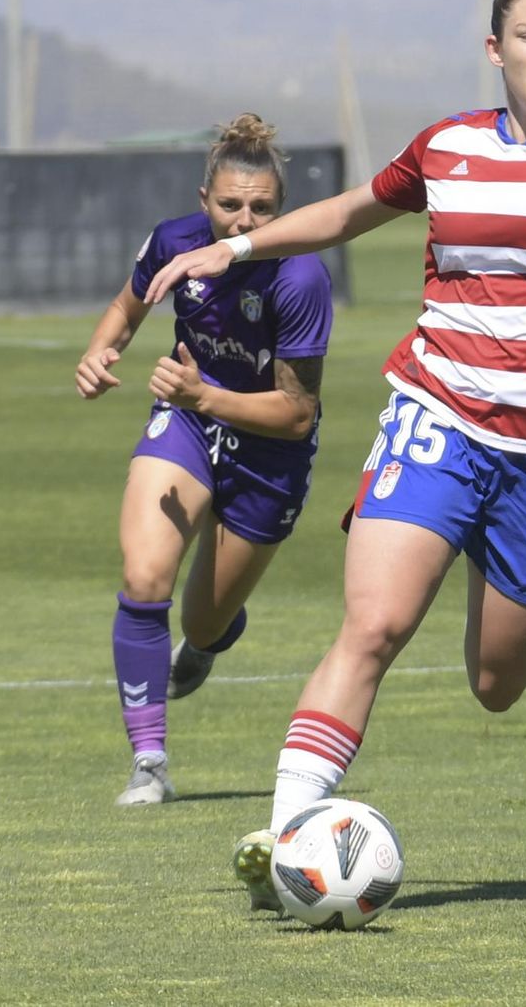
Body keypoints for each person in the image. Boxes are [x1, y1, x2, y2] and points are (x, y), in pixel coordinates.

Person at [145, 0, 526, 910]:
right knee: (373, 625)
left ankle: (518, 601)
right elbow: (348, 212)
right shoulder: (446, 146)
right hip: (437, 416)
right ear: (495, 49)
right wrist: (238, 245)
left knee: (499, 681)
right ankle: (290, 840)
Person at [74, 114, 334, 805]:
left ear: (281, 212)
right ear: (203, 200)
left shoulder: (299, 277)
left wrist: (206, 395)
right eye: (229, 204)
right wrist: (102, 352)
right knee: (145, 570)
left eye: (261, 207)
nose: (242, 217)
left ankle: (211, 636)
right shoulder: (174, 241)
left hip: (269, 451)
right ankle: (149, 762)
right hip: (187, 423)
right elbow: (127, 307)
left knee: (203, 624)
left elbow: (297, 413)